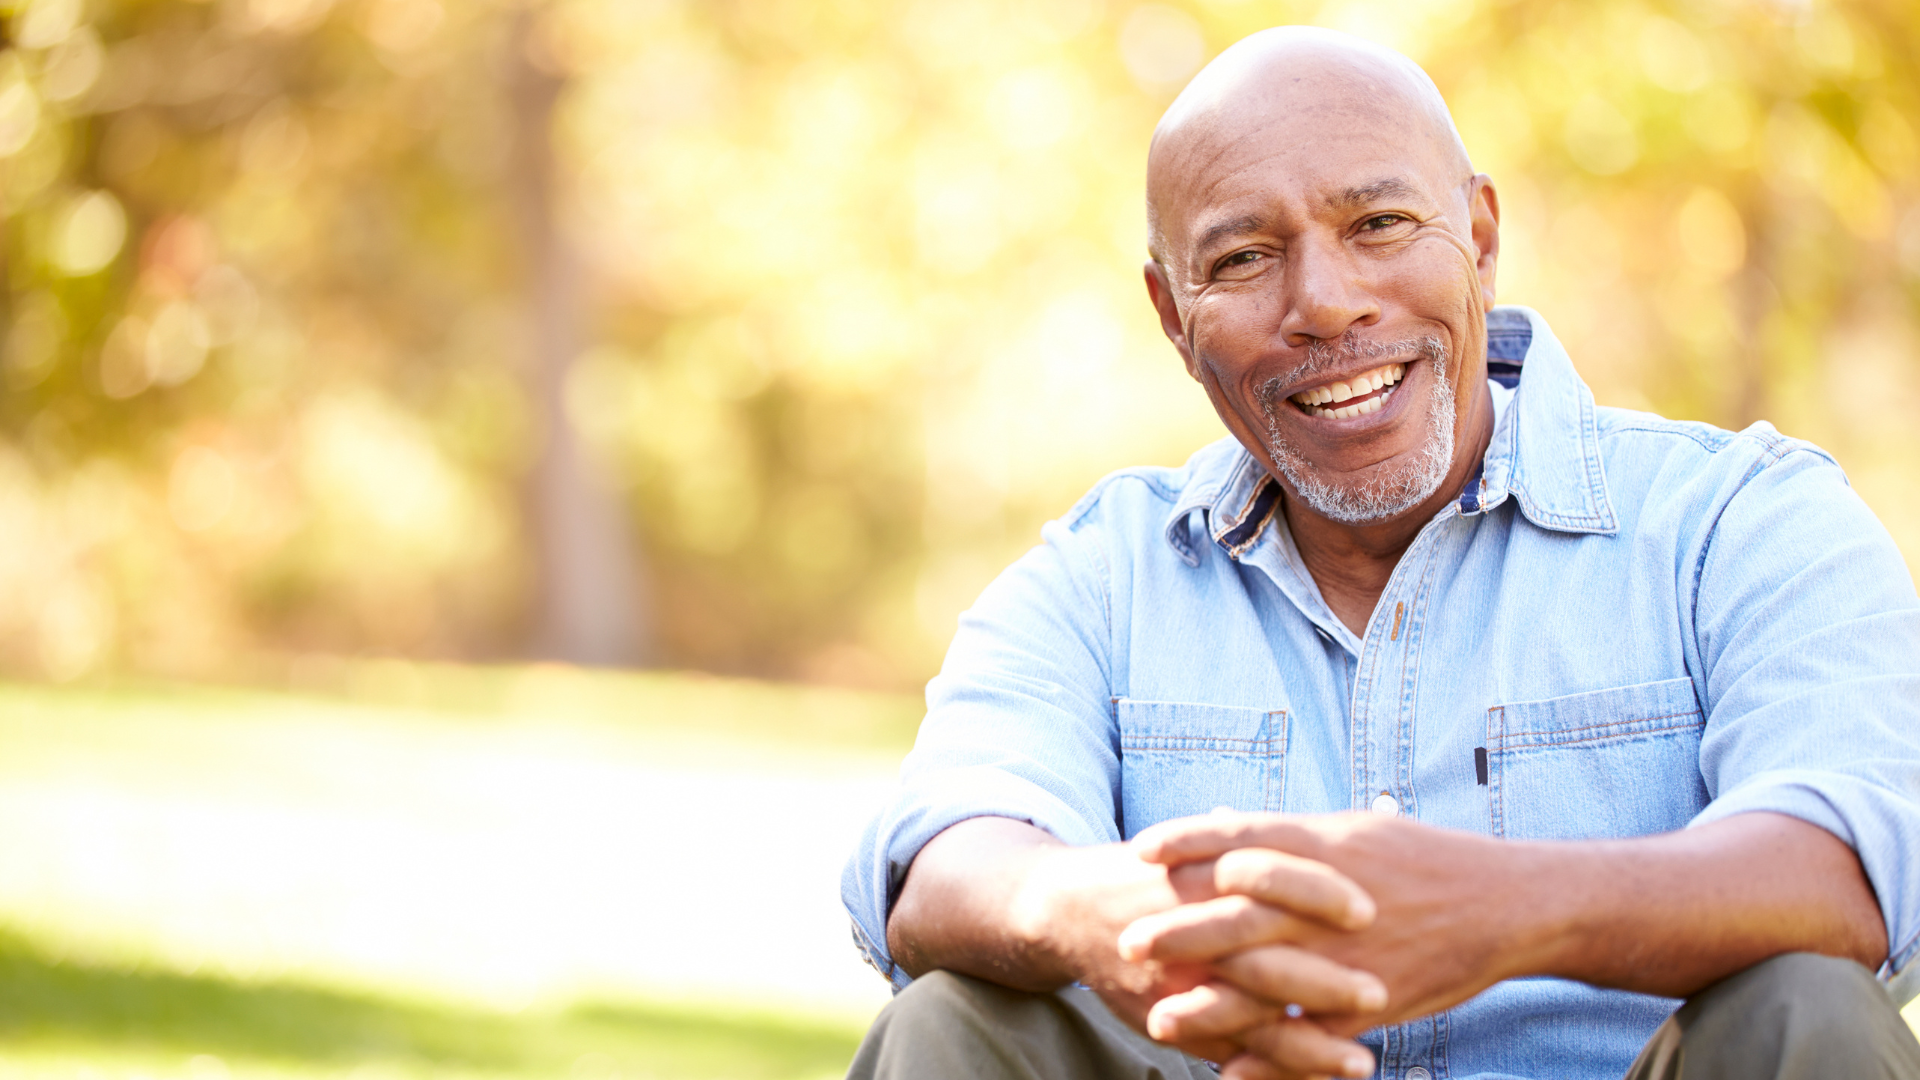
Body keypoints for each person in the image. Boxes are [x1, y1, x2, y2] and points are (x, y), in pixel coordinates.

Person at [841, 25, 1920, 1080]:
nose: (1325, 302)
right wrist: (1117, 918)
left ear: (1482, 241)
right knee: (955, 1026)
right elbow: (941, 862)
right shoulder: (1102, 575)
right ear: (1175, 318)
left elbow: (1851, 871)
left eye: (1380, 224)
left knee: (1808, 1004)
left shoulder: (1738, 521)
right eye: (1245, 257)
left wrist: (1505, 911)